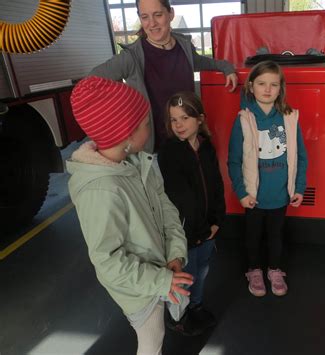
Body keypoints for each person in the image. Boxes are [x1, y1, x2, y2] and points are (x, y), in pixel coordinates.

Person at [66, 76, 193, 355]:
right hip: (138, 290)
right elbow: (108, 262)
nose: (152, 127)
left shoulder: (136, 163)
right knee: (151, 340)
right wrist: (160, 281)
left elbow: (164, 205)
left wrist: (175, 252)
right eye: (145, 124)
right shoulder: (101, 190)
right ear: (127, 135)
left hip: (159, 271)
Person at [90, 0, 238, 153]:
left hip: (189, 141)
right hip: (156, 151)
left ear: (170, 14)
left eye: (158, 15)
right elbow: (91, 82)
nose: (152, 23)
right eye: (145, 17)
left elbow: (204, 62)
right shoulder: (132, 57)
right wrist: (124, 107)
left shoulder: (184, 46)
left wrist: (226, 67)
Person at [227, 60, 308, 297]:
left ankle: (274, 269)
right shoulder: (243, 119)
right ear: (251, 86)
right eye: (262, 83)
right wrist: (241, 193)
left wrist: (299, 188)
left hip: (281, 195)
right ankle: (254, 270)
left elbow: (301, 157)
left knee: (276, 236)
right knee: (252, 237)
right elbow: (234, 161)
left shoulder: (290, 117)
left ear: (280, 88)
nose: (267, 89)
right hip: (253, 197)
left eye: (274, 84)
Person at [158, 91, 225, 335]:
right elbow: (181, 198)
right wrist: (197, 230)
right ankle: (179, 317)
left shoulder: (206, 148)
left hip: (208, 229)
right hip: (185, 234)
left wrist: (217, 220)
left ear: (199, 119)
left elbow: (217, 185)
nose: (179, 125)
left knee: (202, 270)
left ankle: (195, 307)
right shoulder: (170, 152)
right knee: (185, 275)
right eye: (174, 120)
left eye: (185, 118)